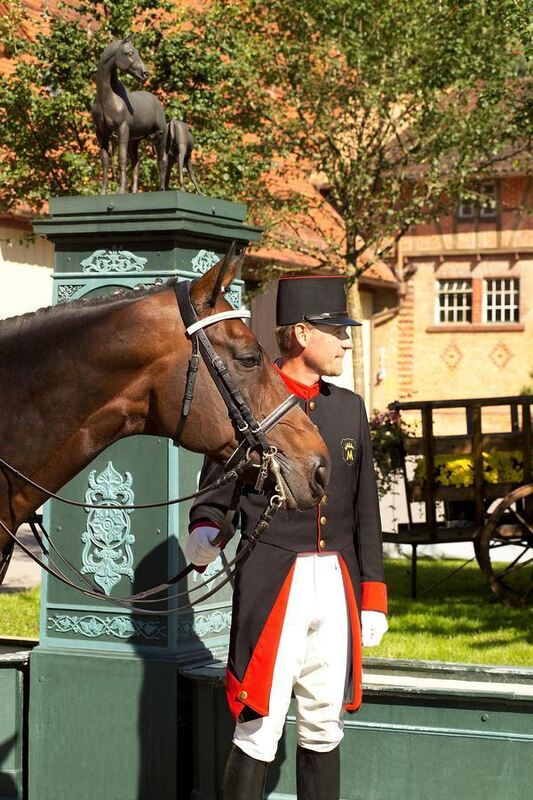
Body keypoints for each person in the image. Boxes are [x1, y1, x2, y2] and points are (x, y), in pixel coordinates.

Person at [186, 275, 388, 800]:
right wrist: (207, 528)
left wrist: (373, 596)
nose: (346, 341)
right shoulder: (249, 402)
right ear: (300, 333)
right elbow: (217, 490)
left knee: (325, 724)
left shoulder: (348, 409)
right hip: (275, 581)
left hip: (337, 583)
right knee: (259, 726)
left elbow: (366, 507)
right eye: (336, 330)